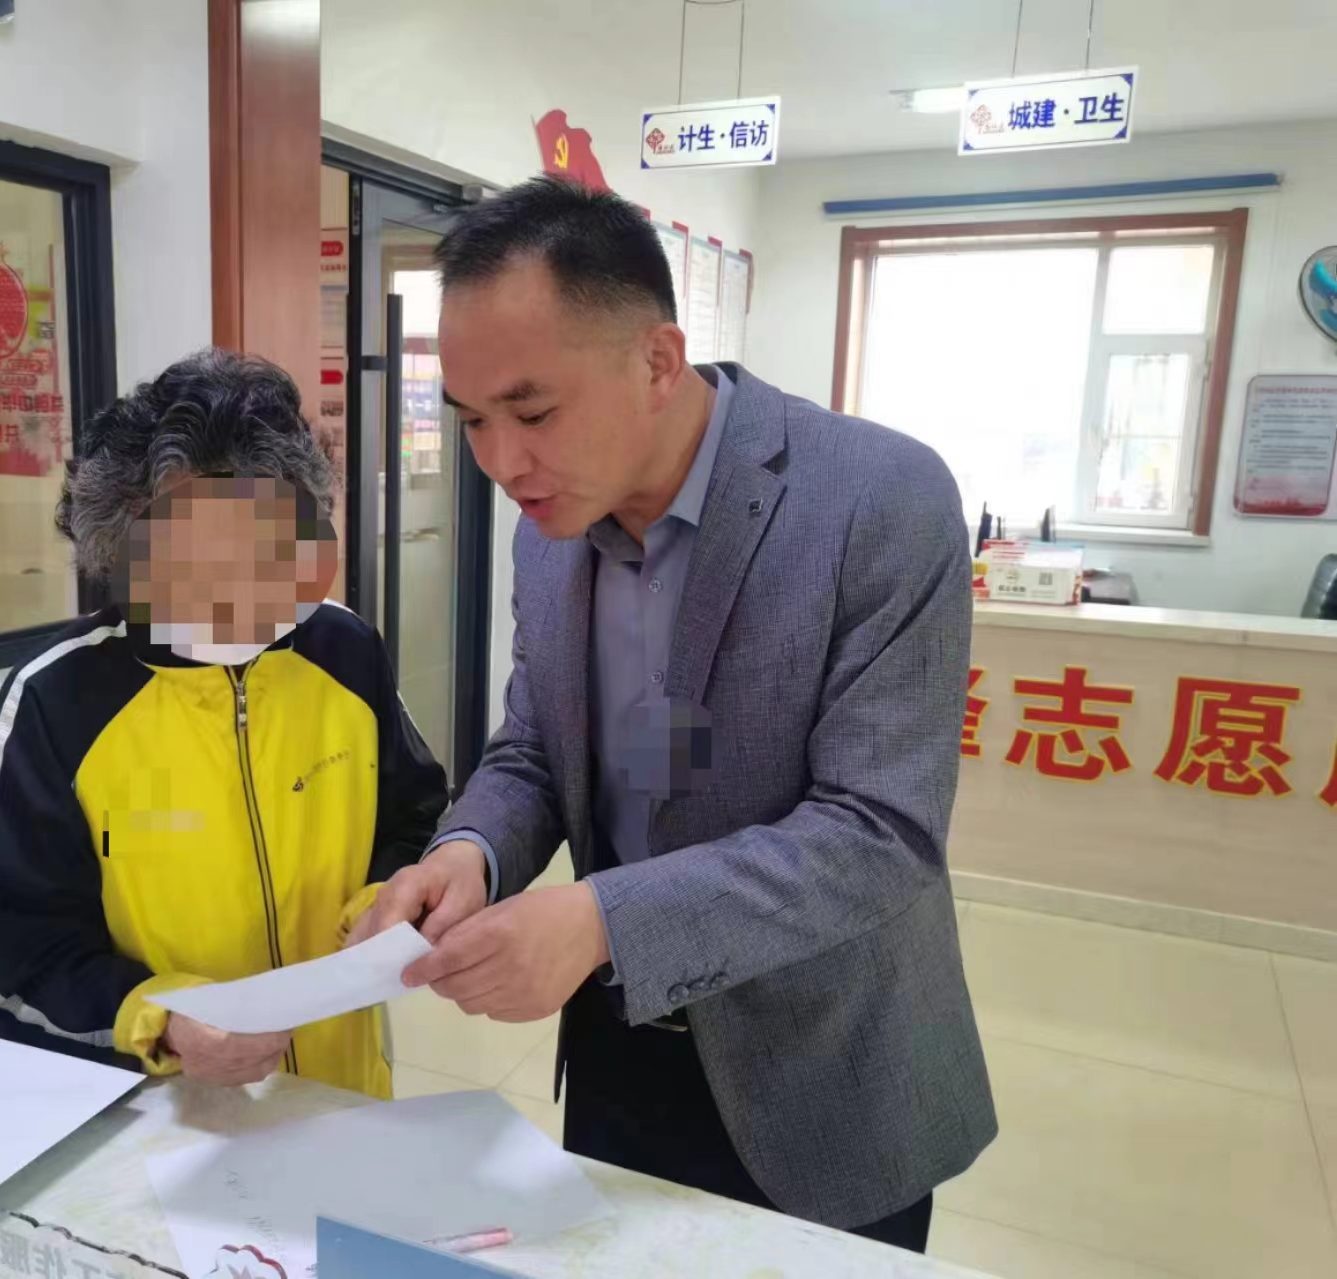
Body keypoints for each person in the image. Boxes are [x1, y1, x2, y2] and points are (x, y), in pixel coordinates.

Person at [353, 178, 996, 1252]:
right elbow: (536, 746)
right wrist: (469, 851)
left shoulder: (877, 499)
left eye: (532, 412)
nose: (500, 463)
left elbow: (879, 831)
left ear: (657, 360)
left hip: (822, 1060)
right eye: (470, 421)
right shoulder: (548, 528)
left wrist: (601, 919)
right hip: (617, 1045)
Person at [0, 349, 448, 1099]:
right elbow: (14, 951)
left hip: (344, 1092)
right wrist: (162, 1019)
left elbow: (415, 816)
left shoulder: (344, 650)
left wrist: (385, 897)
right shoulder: (59, 699)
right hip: (163, 1112)